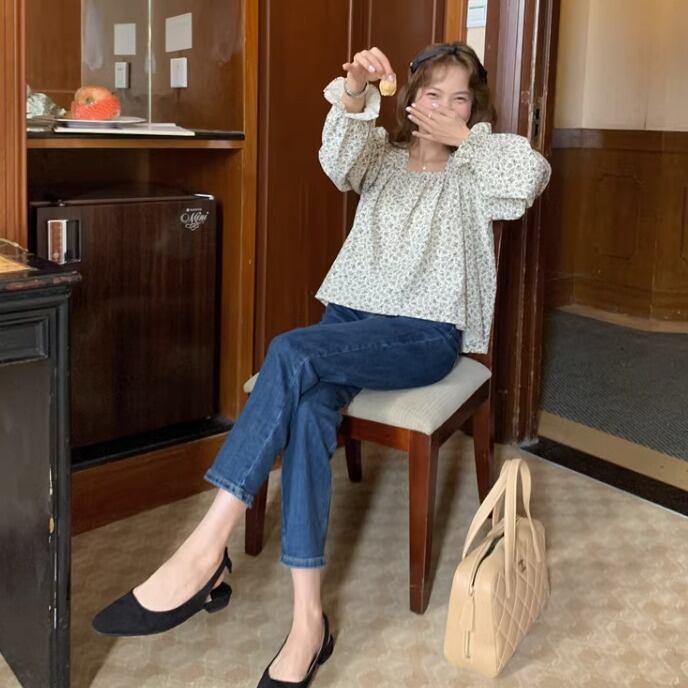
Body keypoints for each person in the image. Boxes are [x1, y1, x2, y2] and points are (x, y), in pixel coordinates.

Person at [93, 42, 551, 688]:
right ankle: (309, 624)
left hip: (423, 335)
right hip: (347, 323)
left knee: (287, 349)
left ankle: (205, 549)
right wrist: (357, 88)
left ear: (473, 113)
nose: (445, 108)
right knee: (308, 410)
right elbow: (338, 158)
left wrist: (467, 142)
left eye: (461, 100)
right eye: (433, 94)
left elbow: (530, 176)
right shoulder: (381, 161)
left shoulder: (476, 175)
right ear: (410, 101)